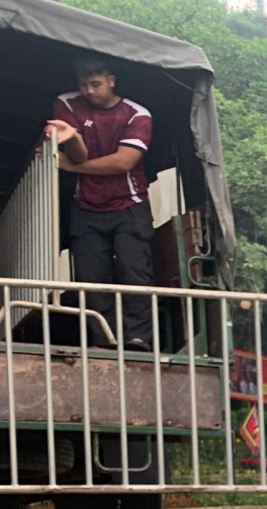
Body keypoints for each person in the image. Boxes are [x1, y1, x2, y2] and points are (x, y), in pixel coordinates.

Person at [46, 60, 157, 350]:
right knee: (92, 277)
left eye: (96, 84)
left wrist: (72, 168)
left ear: (112, 80)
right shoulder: (67, 103)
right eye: (83, 84)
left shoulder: (137, 113)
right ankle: (104, 339)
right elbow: (78, 154)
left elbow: (124, 162)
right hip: (85, 206)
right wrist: (73, 138)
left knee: (134, 272)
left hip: (130, 204)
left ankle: (137, 338)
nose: (89, 91)